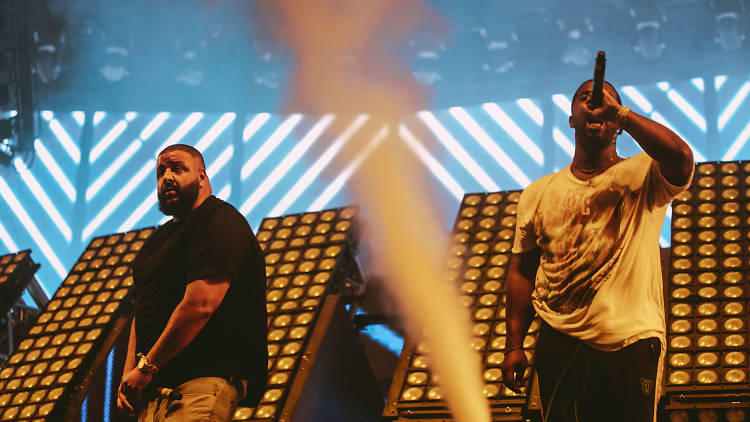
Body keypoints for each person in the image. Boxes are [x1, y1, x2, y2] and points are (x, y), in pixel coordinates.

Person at [501, 79, 694, 422]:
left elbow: (680, 156)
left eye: (606, 100)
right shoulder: (537, 193)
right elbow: (521, 271)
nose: (596, 104)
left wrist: (620, 112)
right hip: (559, 339)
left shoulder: (644, 172)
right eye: (585, 98)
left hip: (628, 339)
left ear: (618, 123)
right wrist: (514, 344)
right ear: (572, 118)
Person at [117, 144, 268, 422]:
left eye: (178, 168)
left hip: (201, 384)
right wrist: (131, 373)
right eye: (161, 172)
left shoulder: (220, 220)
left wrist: (147, 367)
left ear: (202, 176)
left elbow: (201, 304)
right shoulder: (157, 241)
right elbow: (143, 309)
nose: (167, 178)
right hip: (155, 391)